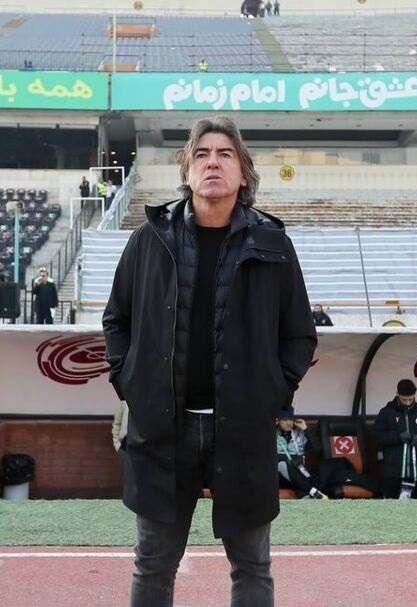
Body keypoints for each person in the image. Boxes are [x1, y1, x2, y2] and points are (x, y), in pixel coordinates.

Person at [103, 116, 317, 606]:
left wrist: (271, 392)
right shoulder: (149, 239)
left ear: (243, 173)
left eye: (225, 154)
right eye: (201, 154)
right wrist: (130, 382)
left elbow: (299, 334)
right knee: (153, 563)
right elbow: (116, 320)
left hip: (242, 428)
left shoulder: (272, 244)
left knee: (253, 565)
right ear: (187, 169)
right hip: (163, 429)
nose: (212, 163)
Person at [375, 379, 417, 499]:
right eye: (404, 399)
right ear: (397, 394)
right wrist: (397, 437)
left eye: (410, 399)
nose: (407, 403)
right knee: (393, 506)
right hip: (394, 472)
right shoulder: (386, 412)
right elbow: (378, 437)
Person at [276, 408, 327, 499]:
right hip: (280, 476)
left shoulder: (299, 434)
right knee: (281, 464)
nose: (288, 423)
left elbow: (317, 448)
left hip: (298, 471)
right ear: (278, 421)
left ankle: (308, 497)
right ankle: (312, 490)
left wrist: (305, 429)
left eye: (291, 419)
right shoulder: (271, 434)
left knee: (305, 478)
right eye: (285, 420)